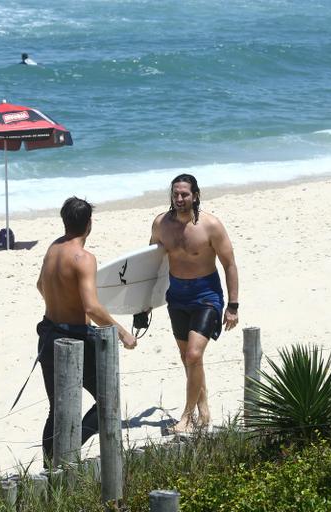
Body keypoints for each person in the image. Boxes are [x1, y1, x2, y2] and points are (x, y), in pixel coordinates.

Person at [36, 196, 137, 465]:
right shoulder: (83, 258)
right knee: (107, 401)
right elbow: (91, 307)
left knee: (56, 409)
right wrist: (123, 333)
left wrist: (60, 301)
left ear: (64, 220)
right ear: (89, 224)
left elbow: (39, 286)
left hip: (48, 334)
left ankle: (50, 464)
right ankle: (68, 451)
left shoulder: (53, 249)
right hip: (76, 338)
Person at [150, 174, 239, 434]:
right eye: (175, 194)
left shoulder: (210, 225)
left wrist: (233, 306)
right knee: (187, 357)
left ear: (195, 195)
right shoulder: (160, 224)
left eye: (184, 194)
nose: (179, 199)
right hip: (176, 296)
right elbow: (150, 266)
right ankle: (203, 407)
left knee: (193, 355)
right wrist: (144, 305)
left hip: (206, 296)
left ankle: (186, 417)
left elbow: (229, 264)